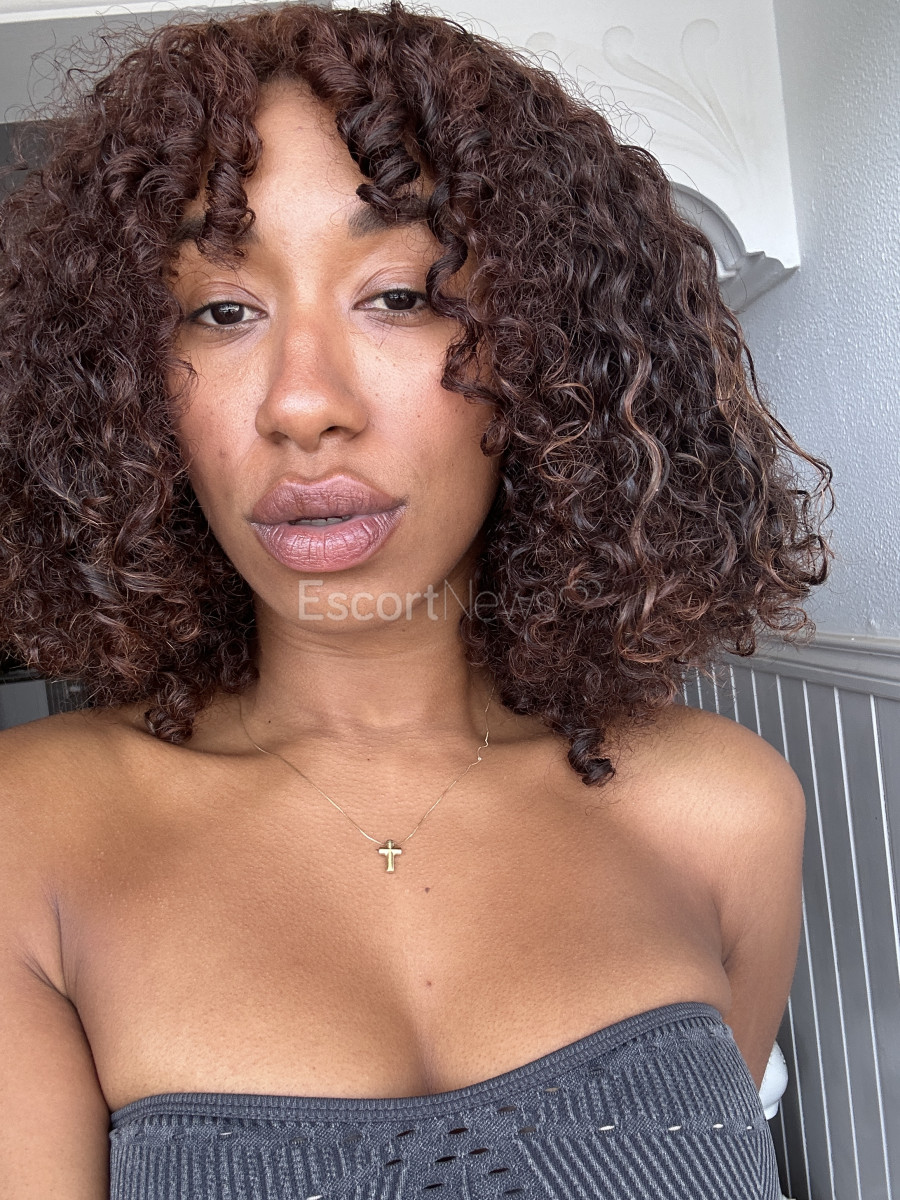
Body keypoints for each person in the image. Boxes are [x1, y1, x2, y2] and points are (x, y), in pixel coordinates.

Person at [0, 2, 832, 1196]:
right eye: (223, 311)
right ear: (132, 391)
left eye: (398, 294)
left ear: (543, 349)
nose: (303, 404)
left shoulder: (722, 811)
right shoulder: (29, 834)